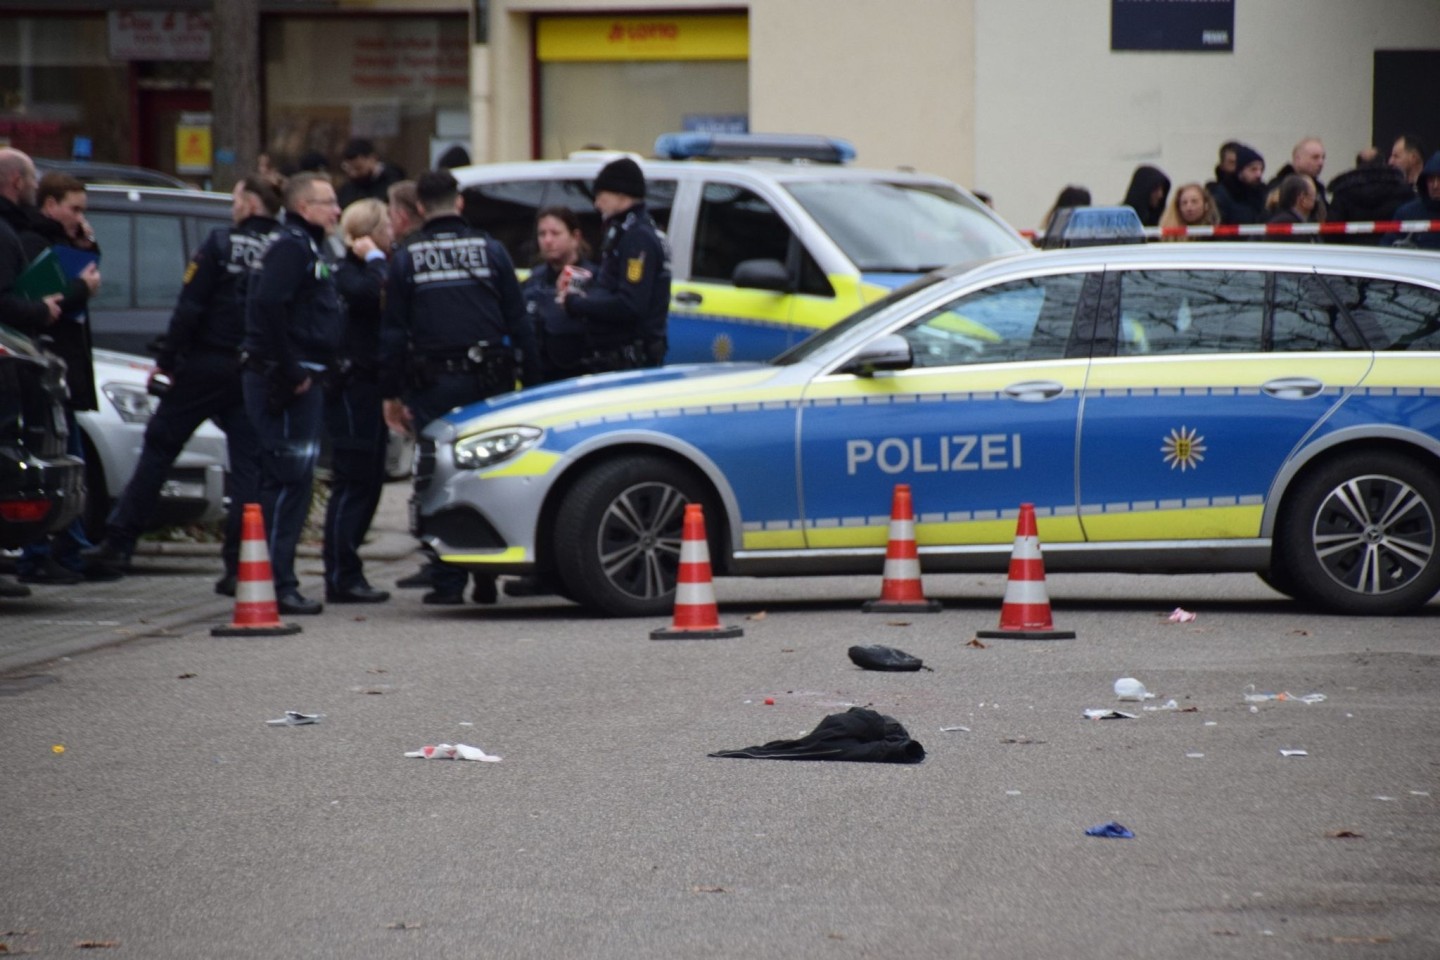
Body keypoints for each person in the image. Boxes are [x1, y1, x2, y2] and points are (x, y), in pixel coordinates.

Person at [89, 177, 279, 594]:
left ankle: (118, 544)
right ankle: (240, 565)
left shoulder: (220, 243)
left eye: (235, 199)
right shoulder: (281, 247)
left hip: (205, 365)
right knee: (248, 467)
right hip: (249, 369)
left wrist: (168, 361)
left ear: (248, 204)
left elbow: (191, 305)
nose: (233, 207)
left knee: (159, 446)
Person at [379, 170, 538, 606]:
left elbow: (392, 335)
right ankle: (487, 575)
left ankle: (449, 581)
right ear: (460, 203)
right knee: (489, 471)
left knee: (438, 477)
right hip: (491, 383)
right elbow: (519, 321)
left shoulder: (406, 258)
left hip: (433, 386)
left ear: (419, 209)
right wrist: (536, 385)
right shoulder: (491, 250)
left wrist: (390, 394)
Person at [241, 172, 345, 616]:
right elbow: (268, 304)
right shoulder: (292, 246)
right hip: (285, 383)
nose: (337, 210)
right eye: (329, 202)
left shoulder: (303, 245)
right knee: (288, 481)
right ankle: (277, 582)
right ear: (305, 207)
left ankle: (272, 578)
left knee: (289, 480)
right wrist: (291, 369)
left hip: (296, 377)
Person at [5, 169, 109, 584]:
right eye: (74, 209)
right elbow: (35, 302)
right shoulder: (31, 243)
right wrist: (79, 290)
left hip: (62, 367)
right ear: (50, 205)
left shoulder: (57, 242)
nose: (80, 217)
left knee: (71, 459)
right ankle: (40, 552)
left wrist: (86, 247)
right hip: (41, 367)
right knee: (47, 457)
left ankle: (73, 548)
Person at [322, 199, 393, 604]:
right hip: (351, 389)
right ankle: (341, 574)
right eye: (385, 229)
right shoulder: (349, 272)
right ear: (368, 235)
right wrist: (377, 259)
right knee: (352, 481)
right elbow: (371, 293)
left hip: (370, 387)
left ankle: (348, 569)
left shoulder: (363, 268)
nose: (392, 236)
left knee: (369, 480)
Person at [0, 149, 65, 595]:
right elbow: (4, 301)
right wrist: (40, 309)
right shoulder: (4, 234)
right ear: (17, 182)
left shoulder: (12, 230)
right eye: (32, 179)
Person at [560, 157, 671, 371]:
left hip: (628, 360)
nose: (596, 204)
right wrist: (583, 288)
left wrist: (576, 304)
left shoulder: (637, 238)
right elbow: (611, 285)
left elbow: (630, 304)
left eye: (601, 195)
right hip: (621, 355)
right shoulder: (629, 231)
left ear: (621, 194)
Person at [523, 206, 599, 383]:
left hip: (578, 377)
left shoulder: (594, 278)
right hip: (540, 377)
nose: (548, 240)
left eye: (555, 233)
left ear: (575, 237)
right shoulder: (534, 280)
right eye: (542, 234)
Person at [1327, 150, 1414, 245]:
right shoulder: (1400, 188)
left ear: (1358, 165)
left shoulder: (1343, 191)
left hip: (1352, 253)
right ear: (1383, 163)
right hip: (1389, 251)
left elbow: (1332, 231)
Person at [1386, 151, 1440, 251]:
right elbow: (1387, 249)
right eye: (1431, 179)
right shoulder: (1407, 213)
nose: (1435, 185)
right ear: (1424, 181)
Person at [1268, 137, 1328, 222]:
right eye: (1315, 157)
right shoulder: (1278, 186)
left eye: (1323, 157)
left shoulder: (1319, 188)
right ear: (1297, 158)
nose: (1321, 162)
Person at [337, 138, 406, 211]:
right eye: (349, 169)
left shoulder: (393, 181)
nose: (353, 173)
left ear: (372, 158)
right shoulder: (348, 188)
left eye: (358, 168)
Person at [1207, 143, 1267, 224]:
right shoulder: (1222, 194)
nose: (1259, 174)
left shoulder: (1264, 193)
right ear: (1240, 170)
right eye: (1253, 169)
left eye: (1261, 169)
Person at [1266, 174, 1319, 242]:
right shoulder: (1285, 225)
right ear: (1302, 198)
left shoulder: (1306, 221)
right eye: (1314, 196)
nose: (1316, 201)